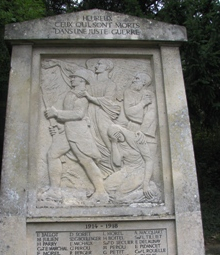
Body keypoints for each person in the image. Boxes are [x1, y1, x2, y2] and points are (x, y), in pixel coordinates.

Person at [43, 69, 109, 204]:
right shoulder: (72, 93)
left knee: (86, 161)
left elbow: (78, 114)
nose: (71, 78)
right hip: (68, 131)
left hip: (78, 133)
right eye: (71, 77)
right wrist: (59, 125)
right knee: (52, 154)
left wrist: (56, 113)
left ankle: (101, 192)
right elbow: (70, 114)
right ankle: (54, 190)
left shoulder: (81, 96)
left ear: (82, 80)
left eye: (74, 77)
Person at [78, 59, 121, 178]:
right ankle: (101, 173)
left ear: (107, 67)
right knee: (92, 141)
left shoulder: (110, 84)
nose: (96, 66)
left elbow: (108, 101)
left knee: (106, 139)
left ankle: (116, 170)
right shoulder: (90, 82)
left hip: (102, 114)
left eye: (99, 64)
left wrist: (89, 97)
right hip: (89, 113)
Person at [104, 124, 158, 203]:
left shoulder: (137, 139)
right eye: (114, 136)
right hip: (126, 171)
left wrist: (146, 183)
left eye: (117, 134)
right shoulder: (117, 144)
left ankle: (151, 189)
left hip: (139, 171)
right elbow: (117, 163)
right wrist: (114, 143)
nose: (118, 137)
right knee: (106, 186)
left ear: (121, 131)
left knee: (120, 194)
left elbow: (148, 160)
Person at [123, 72, 157, 158]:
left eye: (137, 78)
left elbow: (152, 113)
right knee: (130, 156)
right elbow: (129, 112)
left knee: (146, 158)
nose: (133, 80)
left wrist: (143, 130)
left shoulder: (150, 94)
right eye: (134, 78)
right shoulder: (129, 93)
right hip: (132, 127)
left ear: (144, 82)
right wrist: (142, 103)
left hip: (146, 130)